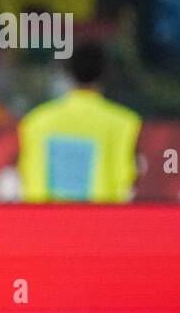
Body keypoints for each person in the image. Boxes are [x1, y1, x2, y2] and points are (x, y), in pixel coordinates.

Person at [17, 42, 141, 202]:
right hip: (101, 223)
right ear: (105, 72)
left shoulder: (35, 121)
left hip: (47, 223)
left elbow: (31, 179)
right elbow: (124, 181)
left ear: (66, 71)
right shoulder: (125, 123)